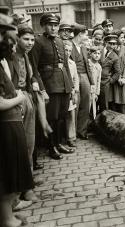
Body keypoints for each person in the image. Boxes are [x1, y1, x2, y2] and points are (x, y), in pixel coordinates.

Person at [0, 16, 34, 227]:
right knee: (6, 174)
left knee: (10, 171)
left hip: (10, 122)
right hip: (5, 123)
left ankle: (9, 213)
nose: (6, 41)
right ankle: (6, 219)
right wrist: (20, 98)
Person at [29, 13, 74, 159]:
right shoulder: (38, 42)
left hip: (64, 84)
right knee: (51, 118)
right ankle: (51, 147)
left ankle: (60, 143)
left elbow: (66, 65)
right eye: (50, 25)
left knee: (62, 116)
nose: (53, 28)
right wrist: (42, 89)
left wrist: (71, 86)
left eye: (56, 25)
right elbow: (34, 68)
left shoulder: (60, 41)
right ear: (43, 26)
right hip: (50, 85)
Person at [71, 23, 95, 140]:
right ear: (80, 34)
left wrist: (92, 83)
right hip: (74, 78)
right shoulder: (69, 46)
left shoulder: (84, 48)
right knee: (75, 104)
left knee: (86, 104)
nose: (87, 36)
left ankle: (82, 131)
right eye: (86, 34)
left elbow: (88, 66)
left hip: (84, 77)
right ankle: (73, 132)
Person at [63, 40, 79, 148]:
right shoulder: (60, 64)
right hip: (62, 92)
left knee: (71, 115)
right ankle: (60, 138)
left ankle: (71, 137)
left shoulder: (72, 63)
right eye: (65, 50)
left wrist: (75, 90)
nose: (67, 52)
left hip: (71, 92)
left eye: (69, 51)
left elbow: (75, 78)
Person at [99, 34, 120, 111]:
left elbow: (117, 72)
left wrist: (110, 81)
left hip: (105, 83)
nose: (112, 46)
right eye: (110, 43)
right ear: (106, 43)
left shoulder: (115, 57)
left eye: (114, 44)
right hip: (94, 81)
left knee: (104, 104)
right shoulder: (99, 50)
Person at [114, 31, 125, 113]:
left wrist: (124, 77)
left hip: (122, 80)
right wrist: (118, 77)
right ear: (117, 38)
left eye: (124, 37)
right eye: (121, 37)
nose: (123, 39)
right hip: (114, 78)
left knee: (122, 101)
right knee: (114, 100)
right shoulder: (112, 48)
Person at [88, 46, 102, 118]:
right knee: (86, 108)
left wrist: (97, 93)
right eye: (95, 53)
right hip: (87, 89)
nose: (97, 55)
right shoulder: (87, 63)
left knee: (93, 110)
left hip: (94, 91)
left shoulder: (99, 66)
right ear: (90, 54)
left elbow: (98, 80)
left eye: (99, 53)